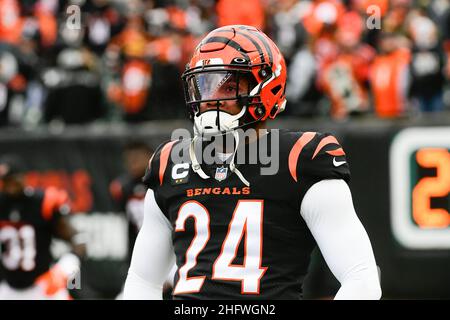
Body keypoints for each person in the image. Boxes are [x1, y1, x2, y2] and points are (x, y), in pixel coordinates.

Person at [123, 25, 381, 300]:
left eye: (229, 86)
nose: (211, 99)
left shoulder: (298, 159)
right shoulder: (169, 163)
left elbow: (361, 278)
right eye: (205, 85)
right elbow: (142, 281)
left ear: (267, 88)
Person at [0, 154, 86, 299]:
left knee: (71, 268)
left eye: (12, 180)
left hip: (44, 287)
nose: (10, 186)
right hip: (8, 288)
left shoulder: (43, 202)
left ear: (22, 177)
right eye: (5, 181)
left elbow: (79, 241)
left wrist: (70, 282)